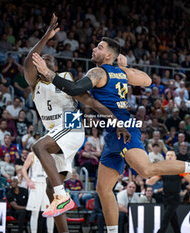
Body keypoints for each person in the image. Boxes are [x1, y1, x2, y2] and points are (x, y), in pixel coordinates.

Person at [34, 35, 190, 232]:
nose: (94, 49)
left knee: (146, 170)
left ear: (108, 55)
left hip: (122, 127)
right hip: (113, 132)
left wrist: (49, 73)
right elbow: (147, 80)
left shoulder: (97, 72)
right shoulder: (122, 73)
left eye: (99, 47)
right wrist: (125, 67)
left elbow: (74, 89)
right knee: (103, 189)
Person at [24, 14, 130, 233]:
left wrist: (114, 120)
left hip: (71, 127)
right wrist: (45, 37)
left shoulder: (65, 78)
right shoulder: (35, 84)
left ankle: (63, 195)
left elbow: (90, 101)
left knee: (38, 147)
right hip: (56, 133)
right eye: (44, 60)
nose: (47, 61)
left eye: (51, 61)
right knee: (49, 192)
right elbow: (28, 60)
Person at [146, 151, 190, 233]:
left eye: (171, 155)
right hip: (165, 198)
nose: (169, 156)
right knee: (174, 221)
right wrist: (147, 178)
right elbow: (151, 181)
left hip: (175, 198)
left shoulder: (179, 169)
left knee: (165, 220)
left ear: (175, 158)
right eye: (168, 155)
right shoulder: (162, 170)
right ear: (165, 158)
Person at [21, 152, 54, 233]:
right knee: (35, 212)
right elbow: (23, 169)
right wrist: (28, 181)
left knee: (50, 213)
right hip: (36, 185)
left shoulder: (51, 154)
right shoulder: (32, 155)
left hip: (47, 185)